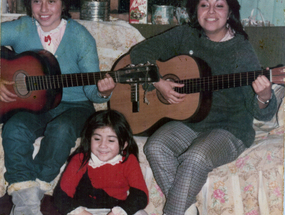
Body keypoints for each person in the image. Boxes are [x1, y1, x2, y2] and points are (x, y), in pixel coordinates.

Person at [129, 0, 278, 215]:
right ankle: (188, 210)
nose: (210, 12)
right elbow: (139, 53)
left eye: (219, 6)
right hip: (190, 123)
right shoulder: (185, 34)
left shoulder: (241, 50)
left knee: (195, 158)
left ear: (230, 13)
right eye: (204, 5)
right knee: (155, 146)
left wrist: (264, 96)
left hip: (229, 129)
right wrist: (158, 82)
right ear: (195, 10)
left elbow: (262, 112)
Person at [0, 0, 116, 214]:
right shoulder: (21, 27)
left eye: (51, 1)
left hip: (76, 106)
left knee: (61, 130)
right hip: (33, 106)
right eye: (37, 1)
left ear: (63, 4)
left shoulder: (80, 37)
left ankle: (34, 190)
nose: (43, 9)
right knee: (13, 129)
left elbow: (93, 93)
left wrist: (104, 91)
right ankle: (27, 205)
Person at [53, 110, 148, 215]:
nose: (103, 145)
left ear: (124, 144)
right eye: (97, 139)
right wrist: (81, 212)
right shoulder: (80, 159)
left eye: (111, 140)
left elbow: (141, 195)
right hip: (84, 210)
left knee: (140, 213)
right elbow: (60, 196)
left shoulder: (129, 160)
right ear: (89, 139)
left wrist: (120, 212)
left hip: (117, 210)